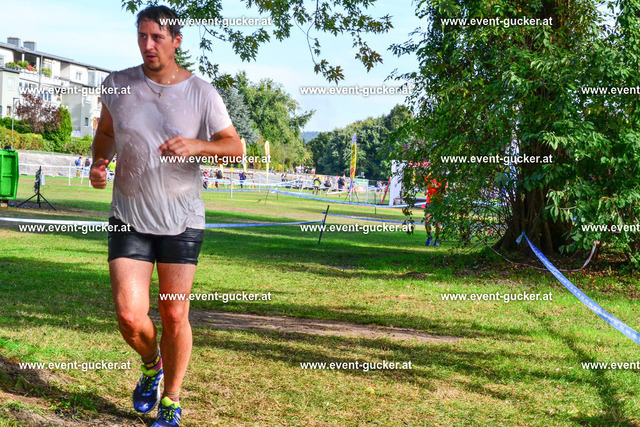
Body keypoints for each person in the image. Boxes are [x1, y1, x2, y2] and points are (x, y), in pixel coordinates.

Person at [89, 6, 242, 426]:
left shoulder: (201, 93)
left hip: (182, 219)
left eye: (157, 37)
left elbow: (234, 147)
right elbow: (106, 133)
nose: (148, 44)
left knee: (174, 314)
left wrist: (198, 146)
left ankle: (172, 399)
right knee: (129, 316)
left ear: (176, 41)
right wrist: (100, 161)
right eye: (142, 36)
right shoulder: (117, 84)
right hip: (129, 216)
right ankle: (151, 365)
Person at [424, 178, 443, 247]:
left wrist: (437, 187)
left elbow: (445, 191)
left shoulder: (443, 178)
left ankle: (437, 239)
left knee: (437, 222)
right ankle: (429, 237)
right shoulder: (429, 177)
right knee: (427, 220)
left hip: (438, 203)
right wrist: (426, 191)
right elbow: (426, 186)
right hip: (429, 202)